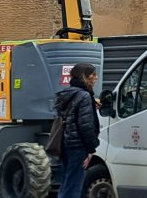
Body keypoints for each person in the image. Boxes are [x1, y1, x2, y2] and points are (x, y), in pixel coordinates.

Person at [53, 63, 100, 198]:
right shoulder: (84, 96)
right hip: (78, 146)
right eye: (93, 74)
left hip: (65, 144)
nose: (96, 78)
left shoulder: (67, 94)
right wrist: (91, 149)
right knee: (74, 186)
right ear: (85, 77)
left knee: (67, 183)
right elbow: (85, 126)